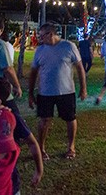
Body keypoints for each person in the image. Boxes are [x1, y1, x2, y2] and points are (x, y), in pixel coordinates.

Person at [28, 23, 87, 160]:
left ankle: (71, 147)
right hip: (45, 92)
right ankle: (41, 148)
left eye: (42, 35)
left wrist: (83, 88)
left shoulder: (68, 46)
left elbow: (79, 68)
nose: (40, 38)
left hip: (66, 91)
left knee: (70, 119)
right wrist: (30, 93)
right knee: (44, 120)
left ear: (51, 34)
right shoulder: (40, 50)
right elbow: (33, 72)